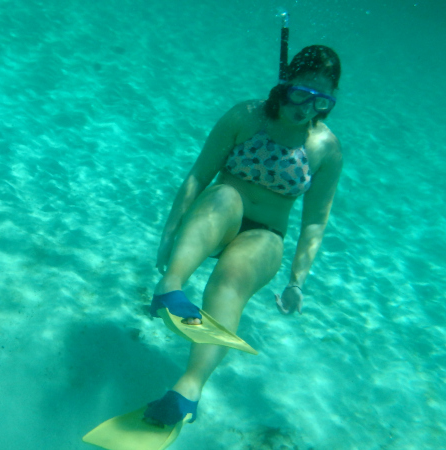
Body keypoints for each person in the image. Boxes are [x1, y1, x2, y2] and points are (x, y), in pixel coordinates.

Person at [144, 45, 343, 426]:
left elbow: (314, 222)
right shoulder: (246, 116)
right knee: (222, 194)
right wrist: (169, 233)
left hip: (266, 235)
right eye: (301, 92)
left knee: (230, 280)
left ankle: (188, 389)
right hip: (220, 217)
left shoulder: (326, 148)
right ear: (284, 84)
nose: (305, 108)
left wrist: (297, 281)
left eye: (320, 101)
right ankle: (171, 285)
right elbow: (199, 176)